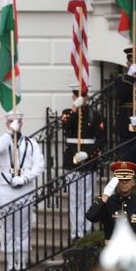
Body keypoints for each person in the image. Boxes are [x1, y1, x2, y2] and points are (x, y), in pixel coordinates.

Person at [0, 112, 44, 271]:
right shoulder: (1, 140)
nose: (15, 124)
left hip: (25, 188)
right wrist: (10, 133)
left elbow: (39, 165)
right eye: (11, 122)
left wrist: (24, 178)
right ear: (6, 123)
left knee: (23, 229)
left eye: (18, 122)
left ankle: (21, 264)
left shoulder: (31, 143)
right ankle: (10, 265)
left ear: (22, 123)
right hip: (5, 189)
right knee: (8, 229)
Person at [59, 85, 105, 240]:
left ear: (87, 96)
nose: (81, 97)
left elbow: (101, 139)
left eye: (83, 95)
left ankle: (85, 230)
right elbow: (65, 126)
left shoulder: (94, 115)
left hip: (88, 161)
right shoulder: (68, 113)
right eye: (77, 95)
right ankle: (75, 232)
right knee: (74, 199)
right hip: (72, 160)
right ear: (73, 96)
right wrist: (74, 109)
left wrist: (88, 153)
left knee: (87, 198)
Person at [85, 160, 136, 240]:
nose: (124, 182)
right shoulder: (107, 202)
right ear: (115, 182)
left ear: (133, 182)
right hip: (112, 250)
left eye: (128, 179)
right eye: (120, 180)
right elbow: (91, 216)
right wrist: (105, 196)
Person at [114, 46, 136, 166]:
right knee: (126, 163)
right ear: (127, 63)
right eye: (131, 62)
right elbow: (122, 95)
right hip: (125, 127)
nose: (134, 64)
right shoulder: (121, 79)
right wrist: (130, 76)